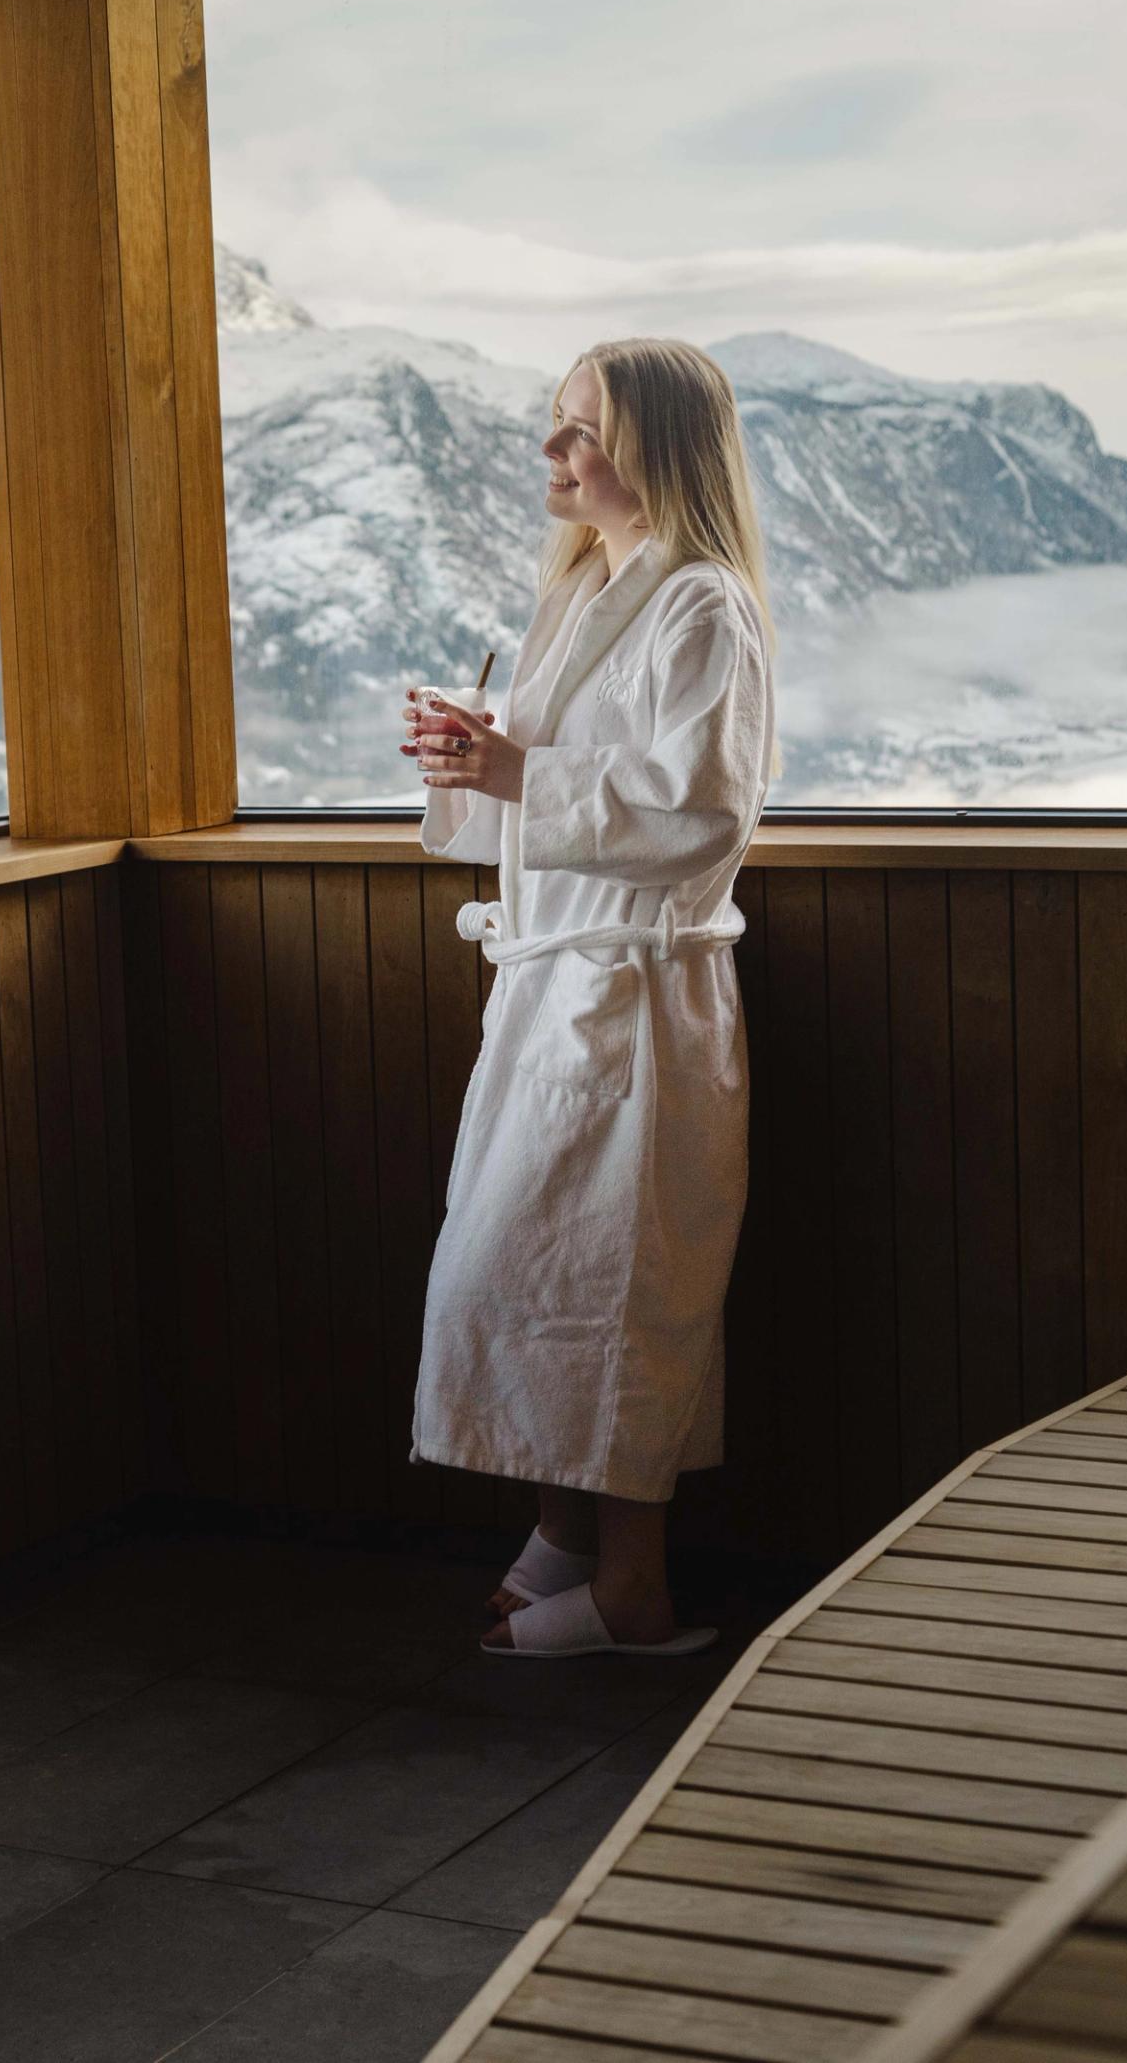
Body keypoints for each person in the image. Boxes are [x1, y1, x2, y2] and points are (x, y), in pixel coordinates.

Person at [402, 337, 778, 1659]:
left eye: (580, 433)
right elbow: (524, 810)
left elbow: (700, 813)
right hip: (557, 989)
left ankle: (633, 1586)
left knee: (625, 1287)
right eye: (556, 428)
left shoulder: (701, 608)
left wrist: (516, 777)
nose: (553, 456)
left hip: (639, 995)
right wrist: (473, 761)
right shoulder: (582, 597)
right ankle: (565, 1534)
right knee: (524, 1272)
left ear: (655, 451)